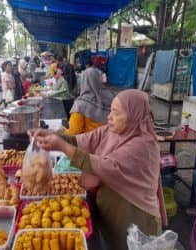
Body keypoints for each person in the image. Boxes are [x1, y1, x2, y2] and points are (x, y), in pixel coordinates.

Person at [33, 89, 167, 250]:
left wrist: (61, 146)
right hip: (112, 212)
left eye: (116, 113)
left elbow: (103, 166)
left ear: (133, 116)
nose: (109, 117)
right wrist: (49, 134)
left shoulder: (144, 146)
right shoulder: (112, 131)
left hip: (134, 218)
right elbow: (78, 140)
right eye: (110, 110)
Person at [64, 66, 115, 135]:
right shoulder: (112, 97)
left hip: (90, 143)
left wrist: (61, 131)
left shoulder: (80, 104)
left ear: (83, 81)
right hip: (110, 141)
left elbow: (74, 132)